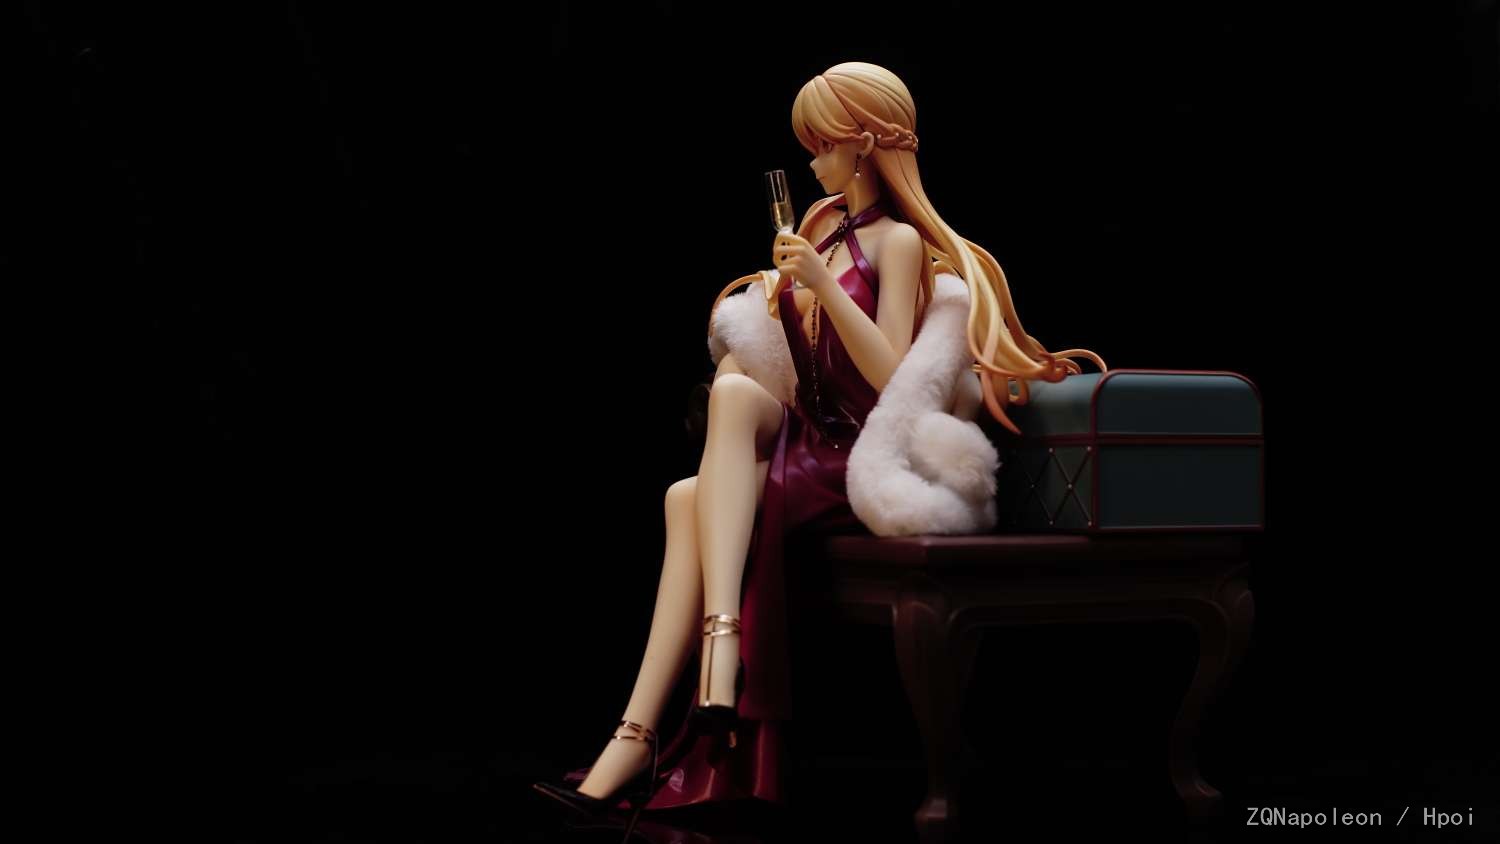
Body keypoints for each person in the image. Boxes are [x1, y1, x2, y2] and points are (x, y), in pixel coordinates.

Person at [532, 61, 1103, 838]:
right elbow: (793, 363)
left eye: (822, 144)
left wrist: (824, 288)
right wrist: (775, 318)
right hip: (807, 432)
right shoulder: (818, 226)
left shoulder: (898, 243)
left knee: (690, 497)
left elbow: (893, 375)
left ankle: (678, 700)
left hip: (860, 451)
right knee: (707, 444)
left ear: (863, 144)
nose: (812, 161)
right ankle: (675, 694)